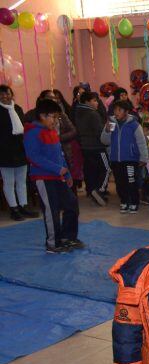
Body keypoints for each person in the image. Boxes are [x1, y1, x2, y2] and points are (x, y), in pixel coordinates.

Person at [23, 99, 83, 253]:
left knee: (71, 204)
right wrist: (57, 169)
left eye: (58, 117)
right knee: (52, 211)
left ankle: (68, 237)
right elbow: (33, 157)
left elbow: (60, 155)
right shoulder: (32, 132)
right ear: (42, 115)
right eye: (53, 117)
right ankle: (53, 243)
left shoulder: (52, 132)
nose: (56, 121)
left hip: (58, 177)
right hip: (43, 178)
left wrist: (67, 173)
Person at [101, 100, 149, 214]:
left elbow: (141, 142)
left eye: (120, 110)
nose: (116, 112)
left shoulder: (134, 125)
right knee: (120, 182)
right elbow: (104, 141)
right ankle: (124, 201)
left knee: (131, 181)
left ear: (126, 112)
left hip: (130, 159)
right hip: (116, 160)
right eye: (115, 110)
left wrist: (144, 158)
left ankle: (134, 202)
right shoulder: (111, 123)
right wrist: (107, 131)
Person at [0, 85, 36, 221]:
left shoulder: (18, 109)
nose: (5, 97)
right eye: (1, 95)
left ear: (11, 94)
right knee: (9, 182)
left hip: (20, 150)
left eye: (7, 94)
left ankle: (23, 206)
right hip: (4, 153)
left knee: (22, 181)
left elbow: (24, 130)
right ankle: (13, 209)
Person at [73, 91, 111, 206]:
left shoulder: (77, 112)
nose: (97, 103)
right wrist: (107, 129)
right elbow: (99, 132)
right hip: (97, 146)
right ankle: (100, 190)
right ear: (87, 101)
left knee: (91, 170)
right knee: (106, 168)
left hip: (85, 146)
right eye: (94, 100)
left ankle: (91, 191)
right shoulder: (92, 114)